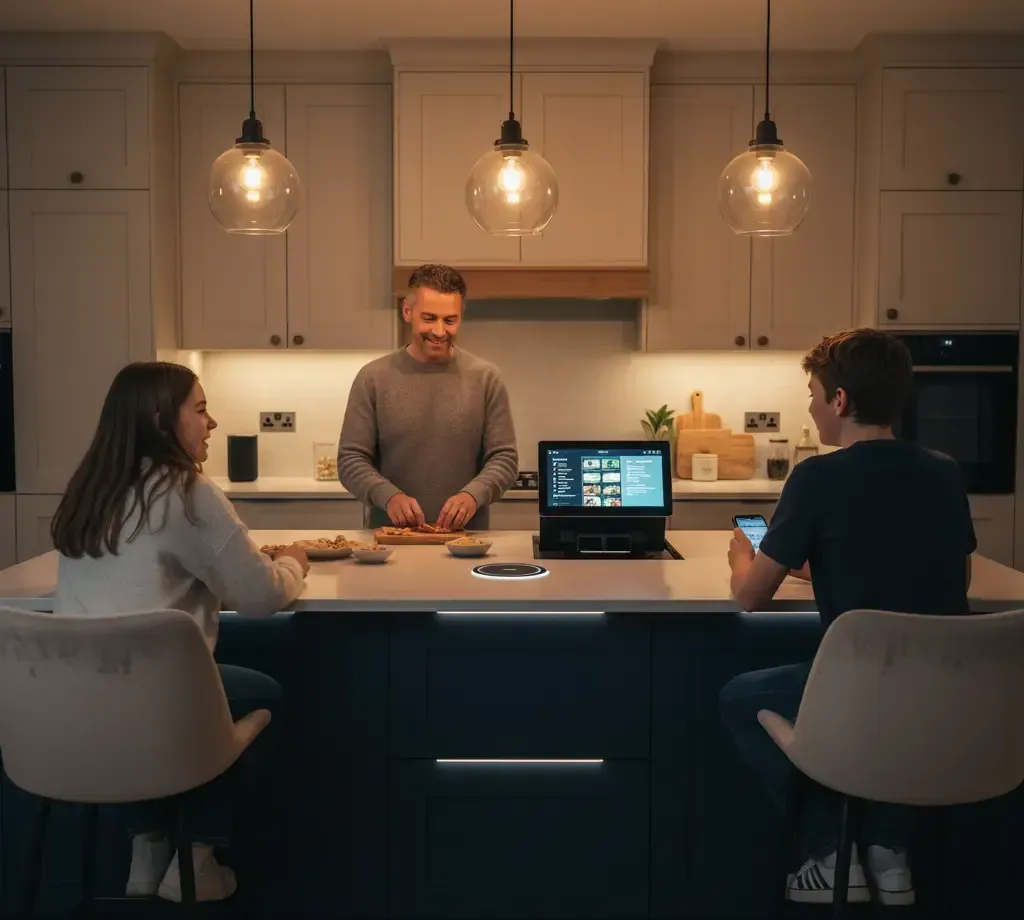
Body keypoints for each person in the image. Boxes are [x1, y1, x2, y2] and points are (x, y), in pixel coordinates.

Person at [719, 328, 976, 907]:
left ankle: (829, 853)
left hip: (859, 690)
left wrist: (743, 559)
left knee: (741, 697)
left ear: (839, 401)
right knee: (887, 721)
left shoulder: (817, 477)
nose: (809, 406)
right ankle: (888, 851)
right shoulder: (942, 471)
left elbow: (751, 598)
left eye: (813, 392)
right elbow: (951, 579)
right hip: (943, 692)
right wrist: (830, 566)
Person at [51, 362, 311, 903]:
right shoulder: (187, 491)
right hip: (155, 704)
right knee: (260, 696)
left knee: (144, 703)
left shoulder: (88, 489)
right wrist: (293, 564)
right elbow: (260, 597)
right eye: (200, 409)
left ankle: (146, 848)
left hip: (70, 712)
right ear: (161, 420)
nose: (212, 422)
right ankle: (197, 856)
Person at [337, 263, 519, 531]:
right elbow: (350, 460)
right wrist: (389, 497)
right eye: (429, 318)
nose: (439, 331)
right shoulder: (373, 377)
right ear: (408, 312)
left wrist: (472, 495)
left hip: (466, 541)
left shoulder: (486, 378)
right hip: (389, 542)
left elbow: (504, 459)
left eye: (450, 320)